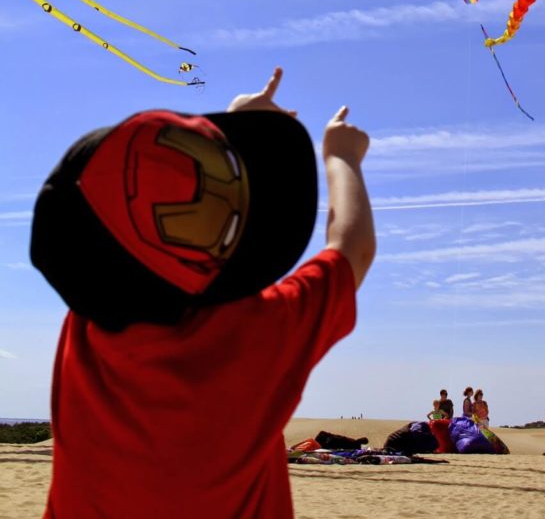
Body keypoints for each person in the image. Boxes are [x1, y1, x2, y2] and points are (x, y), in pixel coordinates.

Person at [30, 67, 375, 519]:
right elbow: (351, 249)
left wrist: (240, 124)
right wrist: (341, 157)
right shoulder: (261, 333)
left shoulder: (87, 329)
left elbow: (142, 224)